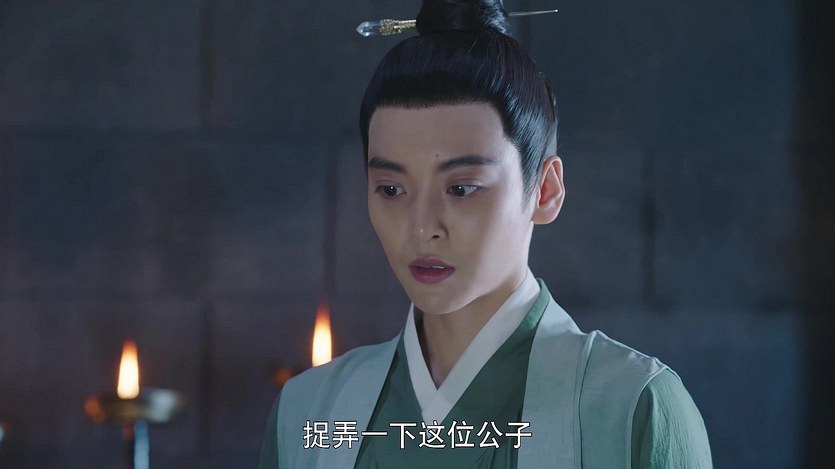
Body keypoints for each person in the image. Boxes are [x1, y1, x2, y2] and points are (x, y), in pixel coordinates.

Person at [258, 1, 712, 467]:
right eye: (391, 189)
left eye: (461, 188)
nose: (422, 227)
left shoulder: (634, 408)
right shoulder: (308, 410)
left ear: (545, 191)